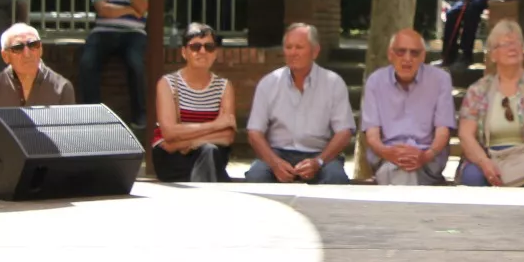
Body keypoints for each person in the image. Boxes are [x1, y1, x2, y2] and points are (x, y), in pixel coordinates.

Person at [456, 19, 524, 188]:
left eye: (517, 43)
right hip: (491, 155)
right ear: (493, 54)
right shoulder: (478, 90)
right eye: (505, 44)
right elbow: (466, 134)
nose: (513, 48)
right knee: (473, 177)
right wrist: (483, 162)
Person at [243, 23, 353, 184]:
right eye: (288, 47)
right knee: (256, 177)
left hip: (320, 154)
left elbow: (344, 132)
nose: (293, 53)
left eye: (299, 47)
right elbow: (254, 132)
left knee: (336, 179)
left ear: (315, 52)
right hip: (278, 153)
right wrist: (274, 163)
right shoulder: (269, 83)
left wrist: (318, 162)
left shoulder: (333, 83)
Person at [361, 29, 456, 186]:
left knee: (401, 174)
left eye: (414, 53)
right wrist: (388, 153)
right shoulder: (375, 81)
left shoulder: (440, 80)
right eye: (401, 52)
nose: (407, 58)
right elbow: (372, 135)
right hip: (386, 156)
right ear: (390, 54)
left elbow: (443, 132)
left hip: (428, 158)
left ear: (423, 56)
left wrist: (425, 156)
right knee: (401, 172)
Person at [152, 23, 236, 182]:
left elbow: (227, 136)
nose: (202, 51)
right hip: (172, 157)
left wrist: (192, 142)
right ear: (184, 52)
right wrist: (215, 125)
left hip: (199, 150)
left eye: (209, 47)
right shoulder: (167, 83)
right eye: (195, 47)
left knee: (209, 151)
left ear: (215, 53)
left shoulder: (224, 86)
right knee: (210, 155)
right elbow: (169, 133)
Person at [78, 0, 150, 125]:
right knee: (87, 63)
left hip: (134, 33)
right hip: (103, 31)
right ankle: (92, 114)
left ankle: (140, 117)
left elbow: (142, 8)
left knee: (136, 65)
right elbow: (103, 10)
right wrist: (130, 10)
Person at [0, 23, 75, 130]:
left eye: (33, 45)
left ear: (41, 49)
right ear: (5, 56)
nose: (27, 54)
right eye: (18, 48)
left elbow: (70, 136)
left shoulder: (62, 88)